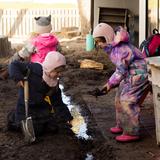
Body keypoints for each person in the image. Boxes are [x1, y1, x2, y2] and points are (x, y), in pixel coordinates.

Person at [91, 23, 151, 142]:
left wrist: (110, 84)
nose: (98, 44)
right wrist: (109, 83)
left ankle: (131, 131)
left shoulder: (120, 50)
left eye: (100, 41)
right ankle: (122, 124)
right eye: (96, 42)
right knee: (118, 98)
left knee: (126, 100)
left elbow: (121, 71)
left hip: (140, 75)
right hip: (130, 74)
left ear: (107, 38)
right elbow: (120, 70)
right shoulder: (114, 48)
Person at [8, 51, 73, 137]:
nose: (59, 75)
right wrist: (18, 78)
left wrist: (67, 117)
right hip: (25, 107)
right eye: (57, 72)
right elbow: (14, 65)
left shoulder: (53, 83)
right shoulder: (34, 68)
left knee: (53, 127)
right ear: (50, 68)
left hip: (41, 109)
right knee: (36, 130)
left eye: (61, 72)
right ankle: (13, 117)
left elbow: (58, 102)